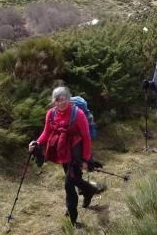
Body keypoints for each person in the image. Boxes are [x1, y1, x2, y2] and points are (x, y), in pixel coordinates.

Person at [29, 86, 104, 226]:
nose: (60, 103)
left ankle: (71, 217)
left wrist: (86, 159)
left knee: (69, 184)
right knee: (74, 179)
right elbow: (46, 133)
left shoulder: (78, 114)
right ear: (54, 101)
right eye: (57, 100)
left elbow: (86, 138)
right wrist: (36, 143)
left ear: (68, 99)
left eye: (63, 100)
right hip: (63, 151)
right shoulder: (51, 114)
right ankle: (90, 190)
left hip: (77, 153)